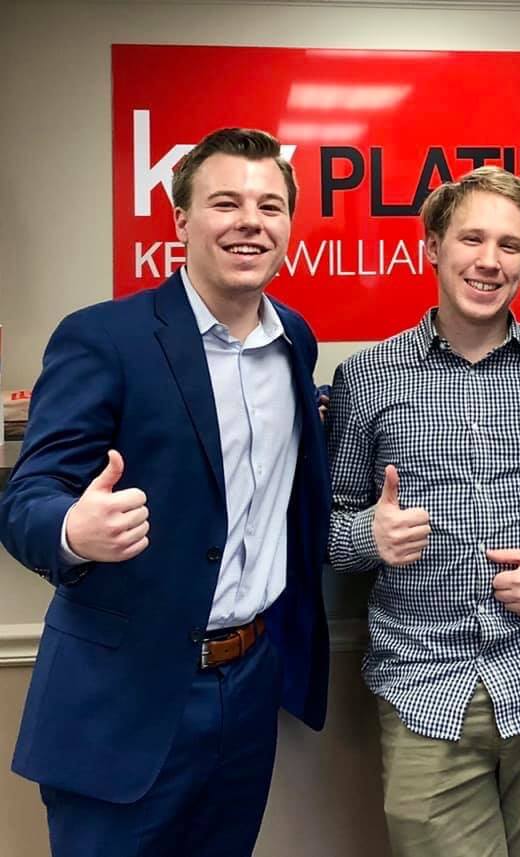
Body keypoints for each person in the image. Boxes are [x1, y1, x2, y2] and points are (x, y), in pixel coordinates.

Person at [0, 128, 331, 857]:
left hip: (246, 687)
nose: (251, 220)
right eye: (226, 202)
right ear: (181, 218)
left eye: (269, 205)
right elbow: (26, 500)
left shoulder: (294, 343)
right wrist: (72, 530)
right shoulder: (103, 338)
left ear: (288, 225)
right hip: (123, 699)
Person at [327, 166, 520, 857]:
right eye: (472, 238)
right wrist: (367, 534)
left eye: (510, 246)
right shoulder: (366, 378)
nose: (488, 261)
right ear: (433, 244)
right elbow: (331, 523)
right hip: (426, 691)